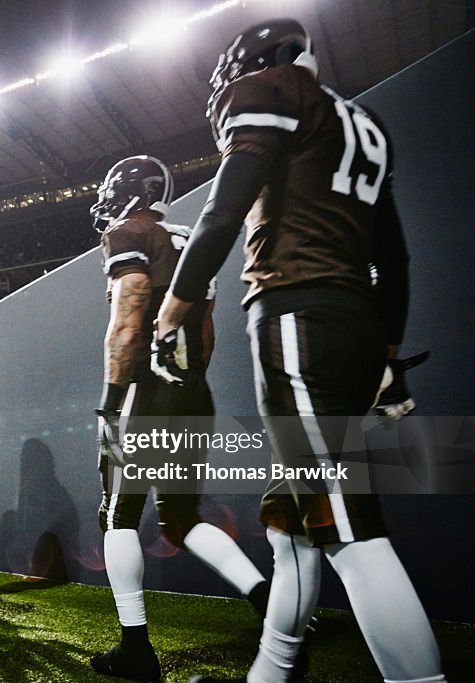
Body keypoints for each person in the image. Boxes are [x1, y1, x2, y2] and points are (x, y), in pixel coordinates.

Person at [152, 20, 444, 683]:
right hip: (355, 320)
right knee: (294, 521)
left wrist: (179, 301)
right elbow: (392, 254)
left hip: (298, 315)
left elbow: (223, 211)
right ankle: (272, 673)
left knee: (347, 527)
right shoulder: (362, 121)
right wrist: (388, 354)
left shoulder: (269, 90)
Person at [91, 155, 269, 682]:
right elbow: (207, 330)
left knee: (117, 515)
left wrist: (110, 397)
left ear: (127, 190)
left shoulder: (129, 231)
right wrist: (186, 382)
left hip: (143, 392)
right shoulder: (190, 235)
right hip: (192, 389)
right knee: (182, 516)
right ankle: (270, 601)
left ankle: (136, 649)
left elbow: (128, 319)